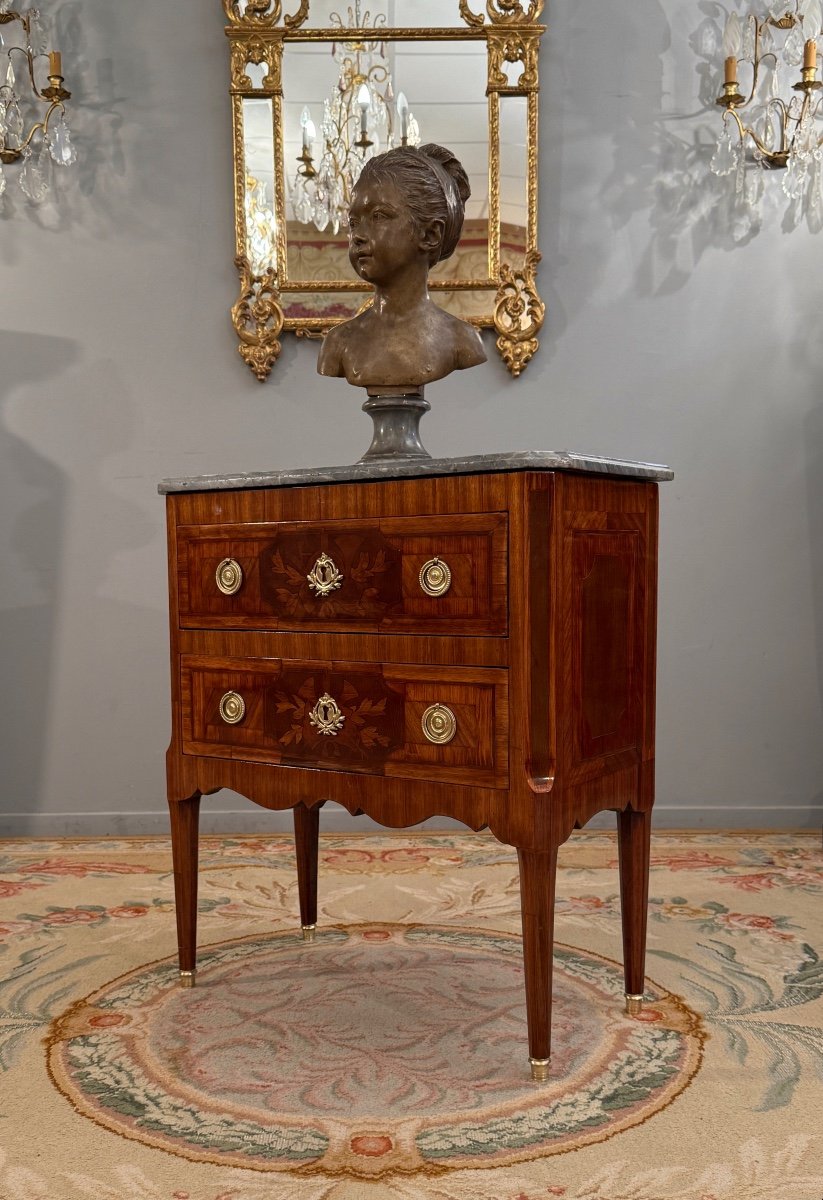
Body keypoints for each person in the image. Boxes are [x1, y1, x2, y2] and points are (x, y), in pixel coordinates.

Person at [317, 143, 487, 389]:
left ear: (430, 234)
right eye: (353, 222)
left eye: (378, 216)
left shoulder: (461, 341)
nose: (357, 236)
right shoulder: (339, 343)